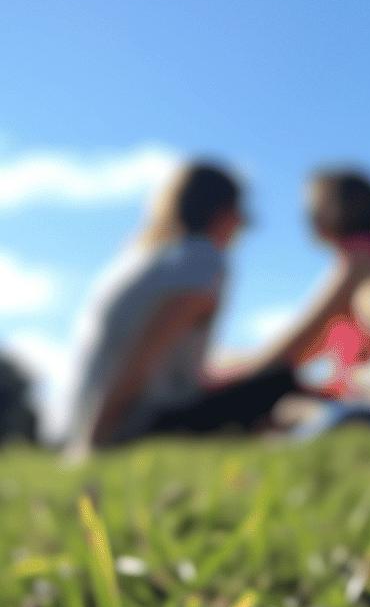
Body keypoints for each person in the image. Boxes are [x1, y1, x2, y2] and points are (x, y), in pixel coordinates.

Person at [62, 162, 295, 455]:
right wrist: (93, 441)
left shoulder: (146, 259)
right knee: (279, 378)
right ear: (225, 212)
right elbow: (142, 356)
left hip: (98, 417)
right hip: (132, 424)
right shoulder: (203, 260)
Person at [233, 169, 370, 409]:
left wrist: (237, 373)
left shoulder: (363, 255)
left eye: (316, 206)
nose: (309, 217)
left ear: (346, 207)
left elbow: (299, 341)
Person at [276, 274, 370, 438]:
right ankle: (297, 432)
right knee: (334, 410)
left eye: (368, 313)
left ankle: (299, 439)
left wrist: (361, 375)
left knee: (336, 414)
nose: (363, 320)